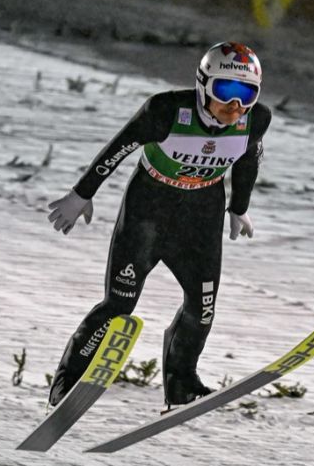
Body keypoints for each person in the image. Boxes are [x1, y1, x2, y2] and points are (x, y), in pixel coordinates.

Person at [46, 42, 272, 408]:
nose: (236, 105)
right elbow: (117, 149)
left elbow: (248, 161)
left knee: (203, 307)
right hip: (149, 209)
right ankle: (67, 382)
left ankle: (181, 384)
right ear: (203, 84)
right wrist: (81, 194)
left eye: (246, 93)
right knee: (120, 303)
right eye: (226, 90)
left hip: (201, 215)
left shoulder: (255, 118)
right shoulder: (165, 110)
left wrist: (239, 208)